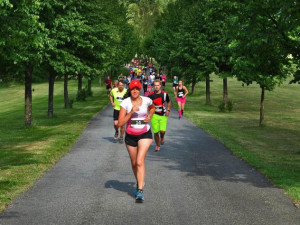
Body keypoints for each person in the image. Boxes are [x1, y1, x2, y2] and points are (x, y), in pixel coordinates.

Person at [118, 80, 155, 201]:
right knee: (134, 163)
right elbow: (120, 123)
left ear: (140, 90)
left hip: (145, 133)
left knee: (139, 161)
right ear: (130, 90)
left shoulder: (146, 100)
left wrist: (150, 116)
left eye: (137, 89)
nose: (135, 91)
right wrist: (131, 112)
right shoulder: (125, 103)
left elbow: (153, 107)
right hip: (130, 135)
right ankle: (140, 181)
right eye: (133, 89)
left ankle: (140, 190)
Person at [148, 80, 171, 152]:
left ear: (160, 86)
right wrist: (149, 112)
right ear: (153, 86)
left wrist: (168, 110)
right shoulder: (150, 95)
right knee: (155, 132)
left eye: (158, 85)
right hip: (154, 115)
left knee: (162, 131)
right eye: (155, 85)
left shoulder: (165, 94)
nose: (156, 87)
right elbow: (148, 105)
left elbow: (169, 102)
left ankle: (162, 137)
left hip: (163, 115)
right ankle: (158, 145)